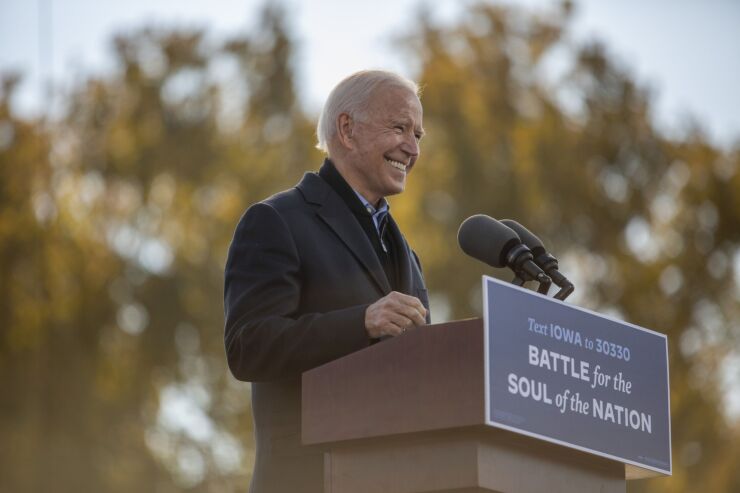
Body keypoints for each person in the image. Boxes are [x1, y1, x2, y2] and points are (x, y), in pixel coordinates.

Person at [224, 70, 431, 493]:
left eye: (418, 135)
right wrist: (363, 322)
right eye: (399, 128)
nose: (412, 148)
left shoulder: (408, 255)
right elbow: (248, 346)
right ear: (347, 129)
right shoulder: (276, 221)